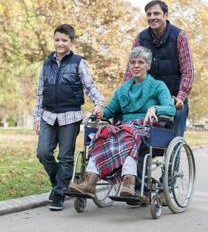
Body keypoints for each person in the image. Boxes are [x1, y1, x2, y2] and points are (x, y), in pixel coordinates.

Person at [69, 46, 176, 199]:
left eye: (141, 62)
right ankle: (89, 182)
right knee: (102, 134)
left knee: (129, 134)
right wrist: (100, 112)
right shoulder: (123, 89)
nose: (136, 66)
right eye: (133, 62)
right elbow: (110, 110)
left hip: (148, 128)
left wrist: (155, 109)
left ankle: (129, 181)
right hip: (125, 128)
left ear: (148, 65)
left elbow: (171, 109)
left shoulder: (158, 86)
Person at [32, 24, 104, 211]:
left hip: (70, 115)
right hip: (48, 115)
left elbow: (90, 86)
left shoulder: (79, 62)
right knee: (43, 152)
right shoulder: (45, 65)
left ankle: (59, 193)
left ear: (71, 42)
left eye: (64, 40)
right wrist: (37, 117)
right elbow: (39, 93)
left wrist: (98, 103)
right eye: (57, 39)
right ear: (53, 40)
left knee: (65, 157)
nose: (60, 43)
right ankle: (59, 184)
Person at [124, 0, 194, 137]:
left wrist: (181, 97)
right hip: (147, 97)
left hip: (174, 97)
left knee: (173, 139)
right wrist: (126, 92)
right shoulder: (141, 38)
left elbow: (188, 71)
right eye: (149, 14)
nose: (152, 17)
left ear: (165, 15)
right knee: (136, 135)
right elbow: (131, 69)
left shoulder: (179, 36)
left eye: (156, 13)